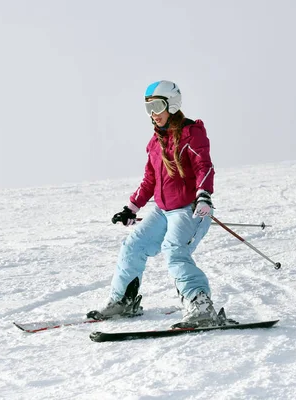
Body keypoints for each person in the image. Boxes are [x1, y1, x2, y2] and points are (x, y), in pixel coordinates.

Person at [87, 80, 225, 328]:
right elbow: (150, 179)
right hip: (163, 211)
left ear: (172, 105)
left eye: (157, 106)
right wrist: (132, 208)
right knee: (133, 245)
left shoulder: (191, 133)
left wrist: (203, 195)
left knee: (174, 250)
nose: (152, 114)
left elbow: (204, 166)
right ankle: (124, 301)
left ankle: (201, 306)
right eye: (147, 108)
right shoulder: (155, 143)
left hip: (191, 208)